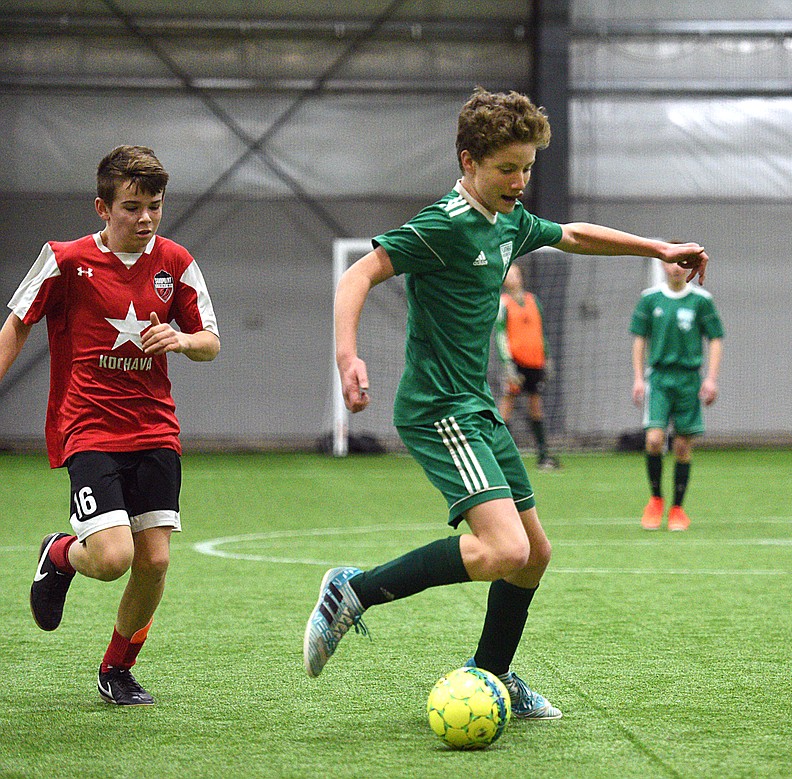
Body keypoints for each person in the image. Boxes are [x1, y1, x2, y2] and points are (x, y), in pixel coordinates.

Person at [302, 87, 709, 720]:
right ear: (468, 162)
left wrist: (657, 249)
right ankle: (351, 591)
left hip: (477, 408)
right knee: (505, 552)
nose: (519, 181)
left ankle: (491, 673)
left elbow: (572, 234)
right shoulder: (443, 223)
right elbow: (360, 275)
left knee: (535, 554)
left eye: (526, 168)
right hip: (438, 408)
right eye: (506, 169)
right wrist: (347, 356)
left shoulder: (509, 219)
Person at [1, 145, 221, 706]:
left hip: (155, 428)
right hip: (89, 426)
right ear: (102, 207)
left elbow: (211, 343)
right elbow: (17, 324)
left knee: (154, 560)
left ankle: (116, 670)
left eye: (154, 206)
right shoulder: (65, 259)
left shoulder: (176, 262)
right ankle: (60, 556)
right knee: (111, 557)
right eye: (131, 207)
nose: (145, 219)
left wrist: (183, 339)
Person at [631, 259, 724, 531]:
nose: (675, 268)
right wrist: (638, 378)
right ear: (662, 266)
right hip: (658, 378)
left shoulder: (701, 300)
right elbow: (639, 340)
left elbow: (716, 338)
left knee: (683, 446)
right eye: (670, 262)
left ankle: (677, 509)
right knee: (654, 440)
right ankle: (656, 500)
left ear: (690, 268)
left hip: (688, 379)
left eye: (682, 263)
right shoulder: (650, 299)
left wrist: (711, 379)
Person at [495, 262, 560, 470]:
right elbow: (500, 335)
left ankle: (543, 456)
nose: (513, 278)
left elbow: (541, 332)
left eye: (516, 274)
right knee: (506, 405)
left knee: (536, 407)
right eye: (509, 274)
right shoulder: (502, 304)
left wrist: (547, 357)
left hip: (535, 361)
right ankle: (497, 455)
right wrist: (508, 365)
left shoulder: (533, 301)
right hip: (516, 363)